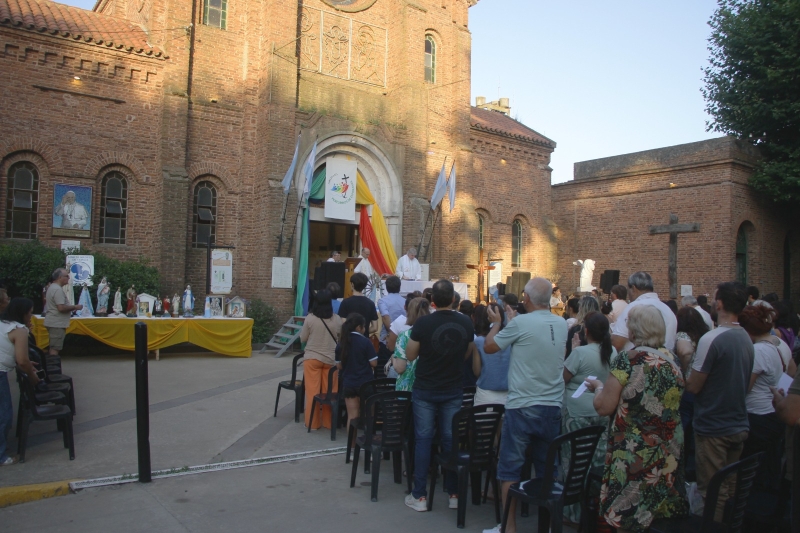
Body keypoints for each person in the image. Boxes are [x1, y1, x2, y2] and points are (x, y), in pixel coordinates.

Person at [585, 305, 688, 532]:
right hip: (668, 447)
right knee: (659, 515)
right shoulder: (672, 360)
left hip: (635, 451)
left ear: (634, 330)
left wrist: (599, 387)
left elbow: (604, 406)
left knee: (628, 515)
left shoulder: (629, 360)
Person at [480, 277, 567, 533]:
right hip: (551, 405)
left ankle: (509, 527)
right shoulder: (561, 323)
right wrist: (513, 321)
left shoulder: (521, 323)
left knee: (510, 468)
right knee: (547, 469)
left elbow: (490, 346)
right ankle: (547, 527)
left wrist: (497, 324)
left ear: (526, 298)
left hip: (522, 406)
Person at [404, 280, 475, 512]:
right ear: (454, 299)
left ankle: (420, 495)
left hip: (426, 387)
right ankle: (453, 492)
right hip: (453, 387)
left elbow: (410, 355)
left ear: (432, 300)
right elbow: (467, 352)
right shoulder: (466, 322)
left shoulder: (424, 323)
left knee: (423, 440)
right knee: (450, 439)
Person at [685, 281, 753, 520]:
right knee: (730, 488)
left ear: (720, 304)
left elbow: (694, 386)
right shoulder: (746, 337)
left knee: (712, 492)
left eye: (714, 298)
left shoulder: (712, 339)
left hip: (713, 427)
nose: (712, 302)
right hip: (737, 423)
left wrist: (683, 374)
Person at [561, 312, 617, 524]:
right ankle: (595, 508)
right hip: (601, 411)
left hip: (577, 413)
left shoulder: (580, 353)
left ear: (586, 331)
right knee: (597, 460)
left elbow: (563, 378)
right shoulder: (612, 352)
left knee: (573, 462)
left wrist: (572, 350)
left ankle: (572, 512)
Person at [739, 304, 786, 494]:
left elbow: (745, 387)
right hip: (770, 413)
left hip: (757, 416)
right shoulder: (775, 346)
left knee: (751, 468)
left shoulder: (758, 351)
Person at [0, 298, 42, 466]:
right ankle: (1, 455)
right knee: (4, 415)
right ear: (22, 314)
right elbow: (23, 361)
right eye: (30, 313)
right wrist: (33, 377)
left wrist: (24, 363)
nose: (31, 316)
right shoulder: (19, 330)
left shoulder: (3, 324)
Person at [674, 306, 709, 481]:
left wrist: (683, 369)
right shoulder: (704, 337)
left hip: (687, 386)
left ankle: (683, 469)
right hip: (702, 387)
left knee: (684, 427)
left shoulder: (682, 336)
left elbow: (685, 351)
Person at [299, 289, 342, 430]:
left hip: (312, 358)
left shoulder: (310, 318)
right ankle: (328, 423)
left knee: (312, 392)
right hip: (331, 360)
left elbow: (303, 338)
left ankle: (313, 423)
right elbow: (340, 337)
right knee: (330, 393)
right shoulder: (336, 319)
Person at [335, 313, 378, 444]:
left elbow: (339, 366)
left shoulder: (342, 343)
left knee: (352, 416)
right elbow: (374, 363)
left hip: (349, 383)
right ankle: (369, 443)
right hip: (366, 383)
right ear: (359, 327)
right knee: (369, 415)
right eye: (364, 326)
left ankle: (352, 447)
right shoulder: (365, 342)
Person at [611, 271, 677, 353]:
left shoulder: (634, 307)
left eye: (628, 290)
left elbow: (616, 342)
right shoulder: (668, 310)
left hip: (636, 359)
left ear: (633, 288)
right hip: (664, 358)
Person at [471, 303, 510, 406]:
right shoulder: (511, 340)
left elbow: (477, 371)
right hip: (509, 392)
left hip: (486, 392)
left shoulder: (479, 342)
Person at [392, 297, 431, 392]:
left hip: (407, 387)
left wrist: (393, 358)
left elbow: (400, 368)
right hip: (429, 386)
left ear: (409, 313)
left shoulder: (405, 336)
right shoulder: (434, 334)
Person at [44, 268, 82, 359]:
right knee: (55, 348)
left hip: (54, 322)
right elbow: (61, 308)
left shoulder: (53, 287)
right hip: (56, 323)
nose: (69, 278)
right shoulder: (57, 290)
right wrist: (75, 307)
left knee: (54, 346)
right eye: (66, 276)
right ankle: (53, 365)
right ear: (60, 277)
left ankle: (52, 365)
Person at [337, 273, 379, 340]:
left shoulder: (345, 302)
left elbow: (343, 324)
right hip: (364, 339)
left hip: (348, 340)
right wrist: (363, 331)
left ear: (352, 284)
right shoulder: (370, 303)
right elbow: (375, 327)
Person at [377, 276, 406, 370]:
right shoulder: (405, 301)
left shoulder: (383, 301)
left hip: (387, 338)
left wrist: (391, 334)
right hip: (403, 337)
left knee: (384, 367)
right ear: (399, 287)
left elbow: (386, 317)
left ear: (386, 287)